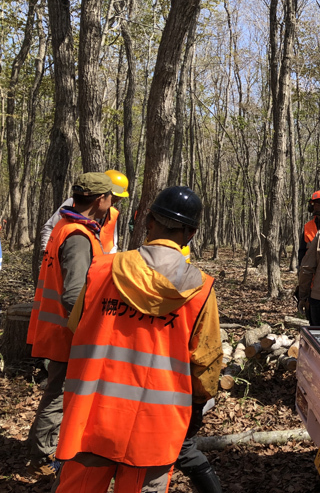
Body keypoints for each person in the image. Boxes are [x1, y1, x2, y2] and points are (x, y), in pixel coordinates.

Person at [51, 186, 223, 492]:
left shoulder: (101, 269)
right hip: (155, 425)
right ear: (191, 233)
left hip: (90, 415)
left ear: (148, 222)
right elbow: (206, 362)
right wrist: (197, 407)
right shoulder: (200, 289)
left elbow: (75, 327)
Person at [26, 172, 116, 477]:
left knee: (57, 389)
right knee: (60, 391)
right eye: (109, 198)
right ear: (100, 200)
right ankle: (43, 453)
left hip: (59, 325)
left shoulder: (65, 225)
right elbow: (74, 292)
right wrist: (87, 331)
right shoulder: (78, 236)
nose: (111, 203)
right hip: (68, 329)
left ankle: (41, 444)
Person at [40, 169, 129, 254]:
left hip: (97, 266)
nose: (117, 200)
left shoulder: (113, 214)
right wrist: (47, 252)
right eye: (114, 196)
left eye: (119, 197)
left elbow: (113, 244)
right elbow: (49, 228)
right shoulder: (72, 204)